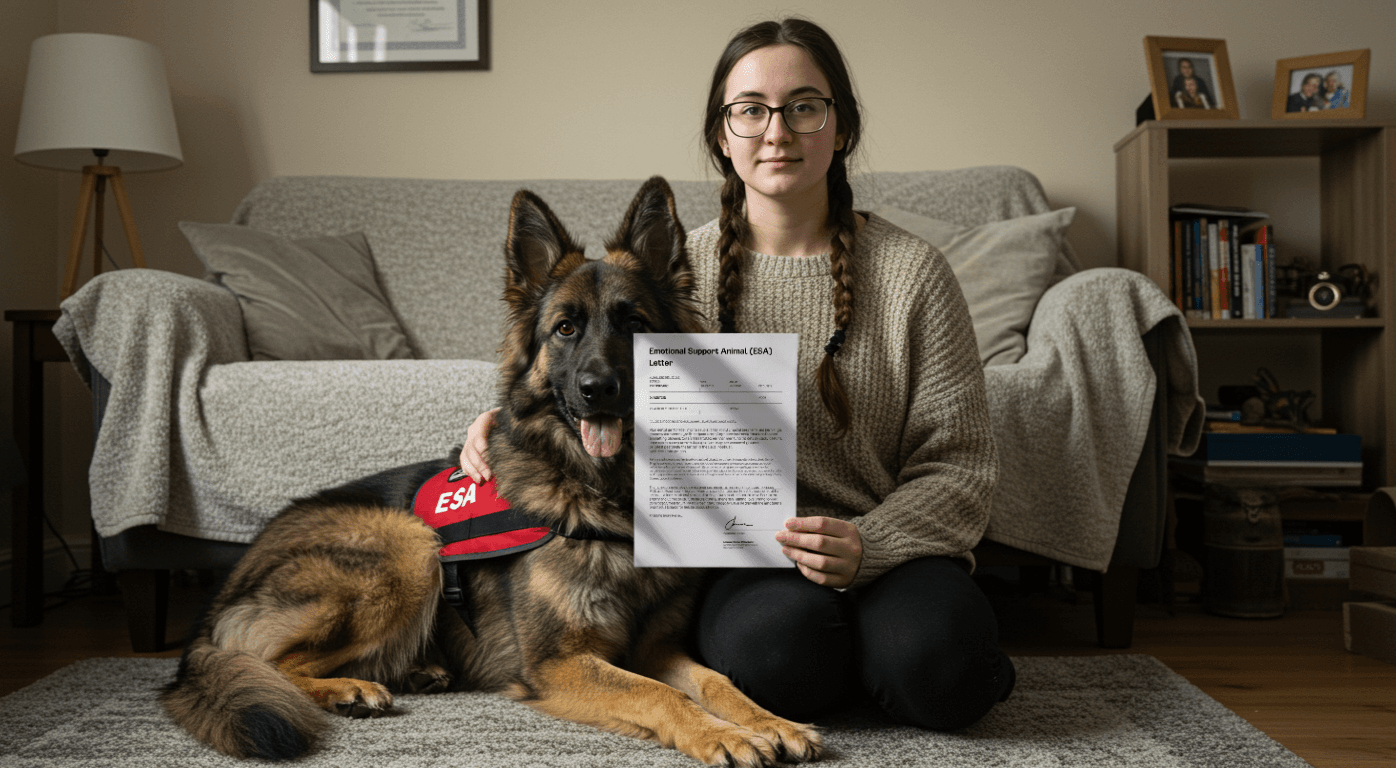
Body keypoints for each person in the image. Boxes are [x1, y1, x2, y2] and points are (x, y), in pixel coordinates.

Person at [458, 17, 1014, 731]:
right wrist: (497, 428)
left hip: (888, 546)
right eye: (750, 110)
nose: (776, 131)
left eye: (804, 106)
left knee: (946, 675)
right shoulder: (660, 278)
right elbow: (574, 361)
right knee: (777, 661)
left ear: (840, 128)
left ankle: (907, 659)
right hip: (745, 560)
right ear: (722, 135)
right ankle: (860, 666)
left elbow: (962, 468)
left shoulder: (915, 274)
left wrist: (871, 544)